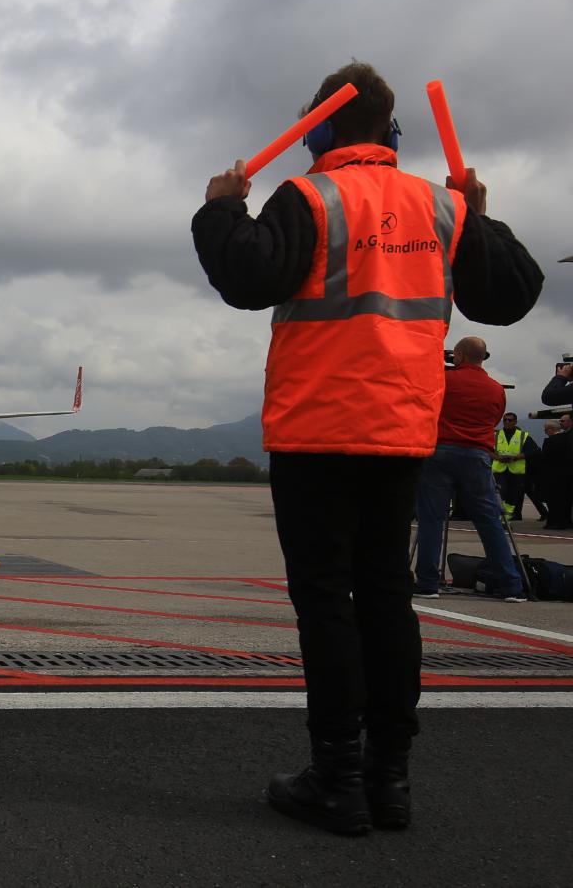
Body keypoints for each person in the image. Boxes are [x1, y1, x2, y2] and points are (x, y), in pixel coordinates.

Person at [192, 62, 543, 836]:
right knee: (387, 595)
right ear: (391, 135)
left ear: (315, 130)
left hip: (317, 431)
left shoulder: (311, 197)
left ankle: (337, 775)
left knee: (325, 598)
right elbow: (514, 292)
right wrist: (478, 217)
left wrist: (220, 211)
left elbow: (251, 276)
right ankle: (390, 779)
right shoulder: (437, 206)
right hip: (402, 431)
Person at [413, 339, 525, 600]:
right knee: (489, 522)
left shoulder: (443, 379)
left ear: (459, 355)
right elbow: (493, 419)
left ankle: (428, 583)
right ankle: (510, 585)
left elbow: (425, 408)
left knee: (432, 519)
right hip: (477, 455)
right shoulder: (496, 389)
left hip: (440, 451)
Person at [492, 412, 533, 520]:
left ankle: (506, 520)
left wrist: (517, 457)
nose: (507, 422)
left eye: (510, 420)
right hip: (499, 469)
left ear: (515, 422)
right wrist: (497, 458)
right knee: (502, 491)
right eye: (505, 420)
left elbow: (535, 451)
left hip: (516, 470)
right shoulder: (496, 435)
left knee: (513, 496)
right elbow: (486, 449)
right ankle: (498, 516)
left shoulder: (523, 436)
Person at [540, 420, 573, 529]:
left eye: (546, 429)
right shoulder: (567, 439)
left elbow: (545, 458)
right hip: (567, 474)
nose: (545, 432)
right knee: (565, 500)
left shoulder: (550, 441)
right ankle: (565, 521)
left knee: (553, 501)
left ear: (551, 429)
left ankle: (554, 522)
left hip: (553, 475)